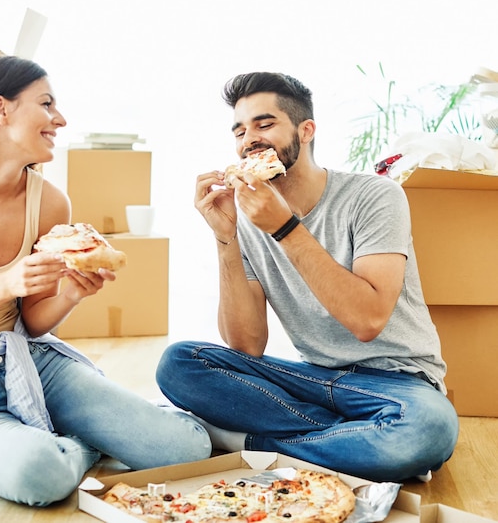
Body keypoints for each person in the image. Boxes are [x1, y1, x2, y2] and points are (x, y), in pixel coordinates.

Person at [0, 55, 211, 506]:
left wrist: (69, 295)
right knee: (39, 475)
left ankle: (59, 430)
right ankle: (71, 440)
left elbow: (34, 321)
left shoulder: (50, 204)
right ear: (0, 110)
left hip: (32, 363)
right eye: (46, 104)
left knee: (184, 449)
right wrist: (5, 283)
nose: (59, 119)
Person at [156, 72, 459, 483]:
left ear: (306, 130)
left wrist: (284, 227)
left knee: (428, 429)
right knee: (179, 363)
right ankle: (348, 442)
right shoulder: (248, 219)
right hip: (313, 378)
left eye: (265, 124)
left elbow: (367, 321)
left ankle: (246, 445)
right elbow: (246, 344)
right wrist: (225, 237)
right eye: (240, 131)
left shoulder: (373, 196)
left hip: (397, 383)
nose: (249, 140)